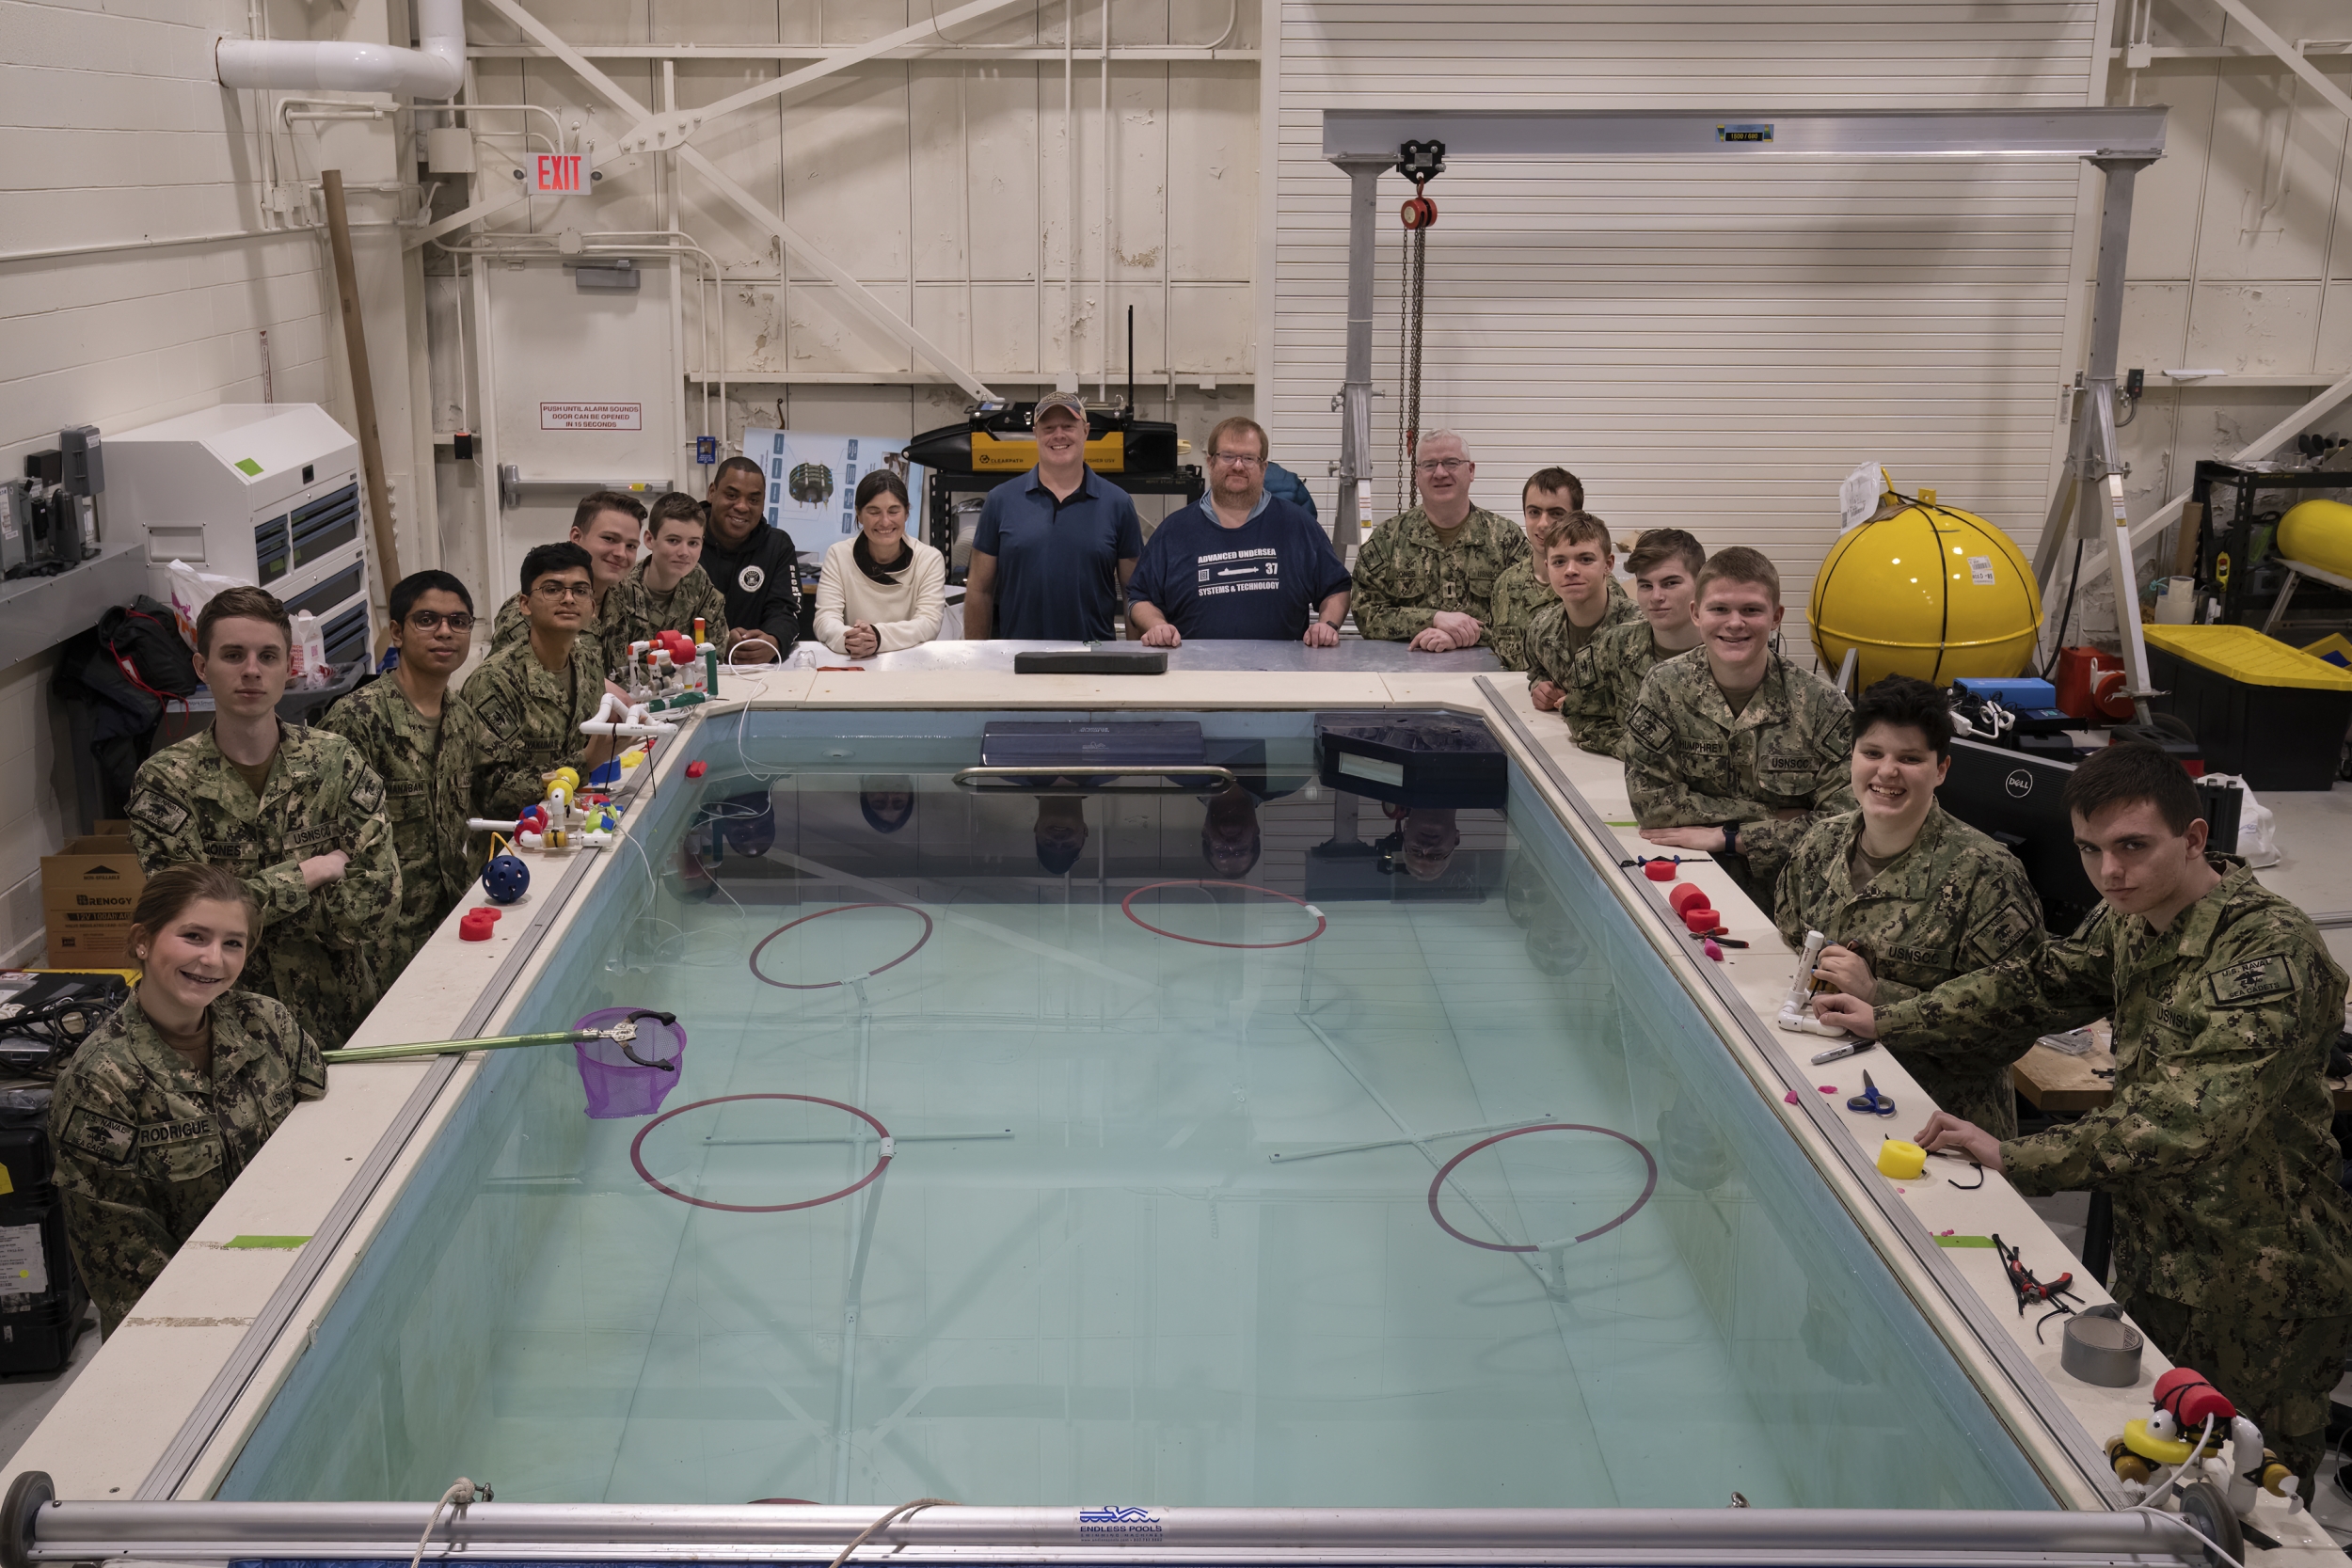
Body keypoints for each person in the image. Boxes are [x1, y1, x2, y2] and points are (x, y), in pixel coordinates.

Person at [1814, 743, 2352, 1498]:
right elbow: (2038, 985)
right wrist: (1894, 1014)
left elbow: (2187, 1123)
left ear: (2194, 839)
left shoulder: (2267, 955)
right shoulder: (2135, 915)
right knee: (2150, 1477)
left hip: (2259, 1286)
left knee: (2251, 1505)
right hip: (2155, 1255)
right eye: (2091, 850)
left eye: (2133, 846)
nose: (2110, 872)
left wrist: (2016, 1154)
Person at [51, 864, 326, 1337]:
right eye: (194, 936)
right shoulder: (101, 1083)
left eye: (232, 943)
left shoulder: (267, 1023)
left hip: (296, 1284)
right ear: (143, 940)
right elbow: (121, 1259)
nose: (213, 960)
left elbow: (325, 1137)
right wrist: (229, 1328)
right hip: (188, 1331)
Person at [124, 586, 399, 1050]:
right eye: (233, 655)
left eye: (267, 656)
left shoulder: (336, 763)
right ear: (201, 668)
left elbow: (374, 908)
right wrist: (310, 873)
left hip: (338, 1023)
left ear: (287, 669)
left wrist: (242, 913)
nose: (251, 671)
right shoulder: (165, 782)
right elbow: (185, 921)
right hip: (224, 1035)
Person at [1772, 675, 2044, 1136]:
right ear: (1852, 757)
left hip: (1939, 1126)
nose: (1887, 772)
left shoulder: (1987, 876)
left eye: (1910, 758)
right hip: (1827, 1094)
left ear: (1941, 769)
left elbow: (2012, 1027)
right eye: (1873, 753)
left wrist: (1880, 999)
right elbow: (1787, 942)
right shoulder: (1820, 846)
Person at [1625, 546, 1853, 917]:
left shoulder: (1820, 706)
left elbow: (1844, 825)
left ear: (1776, 617)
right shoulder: (1665, 686)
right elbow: (1652, 805)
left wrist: (1730, 838)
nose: (1735, 623)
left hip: (1795, 896)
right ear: (1696, 613)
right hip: (1691, 878)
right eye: (1719, 609)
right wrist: (1776, 815)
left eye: (1751, 609)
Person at [313, 571, 473, 992]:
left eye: (459, 621)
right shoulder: (357, 719)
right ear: (397, 633)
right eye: (428, 620)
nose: (445, 632)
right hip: (377, 944)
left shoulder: (460, 716)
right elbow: (322, 838)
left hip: (446, 923)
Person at [441, 542, 621, 868]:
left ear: (592, 606)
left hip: (572, 835)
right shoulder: (496, 682)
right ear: (525, 604)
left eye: (580, 590)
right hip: (511, 855)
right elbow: (492, 797)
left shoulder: (587, 661)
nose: (568, 599)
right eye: (552, 589)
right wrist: (586, 761)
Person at [1126, 416, 1351, 646]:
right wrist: (1156, 625)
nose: (1238, 465)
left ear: (1263, 467)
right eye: (1228, 456)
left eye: (1249, 458)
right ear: (1210, 462)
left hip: (1282, 676)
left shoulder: (1298, 526)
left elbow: (1337, 588)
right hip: (1194, 676)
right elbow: (1140, 598)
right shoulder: (1173, 531)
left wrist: (1328, 625)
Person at [967, 393, 1142, 641]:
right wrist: (977, 658)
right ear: (1035, 433)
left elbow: (1134, 593)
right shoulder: (1000, 501)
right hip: (1018, 660)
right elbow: (978, 590)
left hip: (1094, 658)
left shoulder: (1118, 503)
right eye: (1048, 428)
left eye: (1068, 426)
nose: (1058, 435)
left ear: (1086, 430)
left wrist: (1135, 665)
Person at [1350, 431, 1529, 651]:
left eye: (1451, 463)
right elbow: (1366, 613)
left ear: (1471, 470)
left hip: (1489, 669)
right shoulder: (1387, 540)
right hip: (1405, 668)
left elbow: (1529, 616)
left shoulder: (1506, 539)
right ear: (1416, 475)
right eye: (1429, 465)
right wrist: (1432, 619)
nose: (1440, 473)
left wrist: (1469, 636)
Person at [1561, 528, 1706, 757]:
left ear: (1701, 585)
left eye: (1670, 583)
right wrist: (1631, 750)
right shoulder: (1614, 645)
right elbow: (1579, 714)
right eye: (1646, 585)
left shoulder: (1725, 655)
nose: (1656, 597)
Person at [489, 490, 644, 667]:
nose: (621, 554)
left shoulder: (629, 596)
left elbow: (644, 665)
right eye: (609, 539)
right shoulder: (528, 612)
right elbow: (503, 680)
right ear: (576, 537)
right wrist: (599, 684)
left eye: (631, 546)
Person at [815, 471, 947, 657]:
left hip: (910, 664)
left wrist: (877, 637)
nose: (885, 522)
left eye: (894, 511)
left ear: (907, 512)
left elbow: (929, 623)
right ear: (859, 515)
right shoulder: (839, 555)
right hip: (854, 661)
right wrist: (849, 639)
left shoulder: (929, 559)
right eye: (874, 512)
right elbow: (824, 619)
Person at [1522, 511, 1640, 712]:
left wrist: (1583, 705)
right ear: (1548, 567)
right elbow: (1537, 670)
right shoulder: (1541, 629)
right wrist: (1540, 688)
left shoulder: (1638, 628)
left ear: (1608, 565)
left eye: (1585, 559)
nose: (1570, 570)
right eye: (1559, 562)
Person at [1490, 468, 1601, 671]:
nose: (1543, 524)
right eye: (1534, 512)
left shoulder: (1599, 587)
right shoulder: (1506, 585)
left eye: (1556, 513)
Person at [701, 455, 801, 662]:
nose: (742, 506)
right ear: (712, 492)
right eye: (731, 495)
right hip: (693, 667)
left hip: (758, 670)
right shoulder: (687, 540)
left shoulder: (777, 546)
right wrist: (719, 641)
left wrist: (774, 641)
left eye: (753, 500)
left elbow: (786, 609)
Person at [609, 491, 730, 658]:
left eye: (693, 543)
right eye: (673, 541)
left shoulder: (700, 584)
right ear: (650, 540)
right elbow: (617, 668)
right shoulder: (621, 590)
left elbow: (713, 657)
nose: (684, 552)